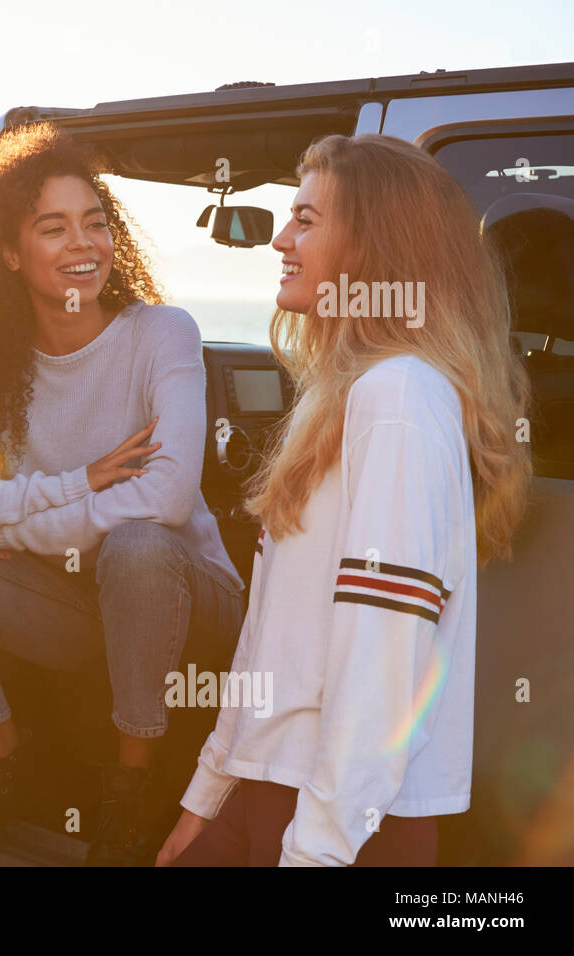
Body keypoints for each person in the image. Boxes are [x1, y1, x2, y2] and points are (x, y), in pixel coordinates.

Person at [157, 133, 532, 867]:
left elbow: (382, 665)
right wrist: (208, 795)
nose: (282, 241)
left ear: (372, 247)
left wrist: (315, 852)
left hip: (346, 828)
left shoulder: (397, 399)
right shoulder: (341, 395)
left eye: (306, 219)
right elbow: (269, 637)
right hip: (273, 792)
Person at [0, 122, 245, 866]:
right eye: (54, 228)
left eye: (95, 223)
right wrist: (64, 489)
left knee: (139, 544)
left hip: (190, 597)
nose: (84, 244)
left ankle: (131, 788)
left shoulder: (162, 335)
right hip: (77, 605)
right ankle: (2, 767)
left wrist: (16, 529)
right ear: (11, 254)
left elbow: (168, 497)